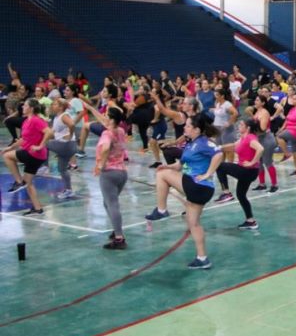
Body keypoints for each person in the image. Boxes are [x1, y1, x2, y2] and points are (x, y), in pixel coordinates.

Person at [145, 114, 223, 269]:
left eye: (188, 125)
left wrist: (208, 173)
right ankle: (202, 258)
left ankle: (161, 210)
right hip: (200, 188)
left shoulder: (203, 143)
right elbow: (179, 166)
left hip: (198, 185)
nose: (184, 127)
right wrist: (167, 166)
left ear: (196, 129)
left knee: (161, 176)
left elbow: (219, 154)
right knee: (193, 223)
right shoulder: (190, 143)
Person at [80, 101, 130, 249]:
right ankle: (117, 230)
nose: (104, 117)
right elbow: (103, 120)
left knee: (112, 204)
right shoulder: (120, 130)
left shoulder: (107, 134)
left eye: (107, 115)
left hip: (109, 173)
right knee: (107, 203)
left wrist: (100, 164)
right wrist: (90, 108)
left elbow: (106, 147)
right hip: (122, 173)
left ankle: (119, 238)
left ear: (112, 119)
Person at [2, 99, 50, 215]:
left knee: (7, 157)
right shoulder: (26, 121)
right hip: (35, 155)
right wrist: (10, 147)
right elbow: (23, 139)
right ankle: (38, 208)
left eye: (25, 105)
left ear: (31, 109)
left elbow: (49, 132)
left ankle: (18, 181)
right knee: (28, 182)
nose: (23, 107)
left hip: (34, 154)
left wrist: (40, 146)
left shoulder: (36, 120)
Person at [214, 119, 264, 229]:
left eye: (241, 124)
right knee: (241, 195)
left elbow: (260, 149)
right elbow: (233, 146)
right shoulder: (243, 138)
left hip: (248, 171)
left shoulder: (250, 138)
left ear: (248, 128)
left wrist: (252, 162)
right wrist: (218, 147)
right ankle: (251, 221)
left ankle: (226, 192)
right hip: (246, 171)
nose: (239, 126)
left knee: (221, 166)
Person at [45, 98, 77, 200]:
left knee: (42, 144)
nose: (52, 106)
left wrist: (70, 135)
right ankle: (69, 190)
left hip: (66, 145)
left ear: (60, 107)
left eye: (54, 104)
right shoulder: (57, 117)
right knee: (62, 169)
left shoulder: (64, 116)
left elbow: (72, 124)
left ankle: (43, 166)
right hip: (66, 146)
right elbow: (52, 133)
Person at [251, 94, 279, 193]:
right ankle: (262, 184)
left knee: (268, 162)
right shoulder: (257, 112)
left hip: (266, 139)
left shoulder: (264, 113)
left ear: (263, 103)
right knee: (259, 163)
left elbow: (262, 129)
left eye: (258, 100)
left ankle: (274, 184)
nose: (255, 101)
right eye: (255, 100)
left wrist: (251, 128)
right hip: (259, 139)